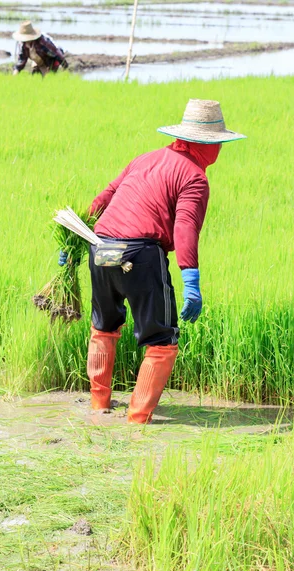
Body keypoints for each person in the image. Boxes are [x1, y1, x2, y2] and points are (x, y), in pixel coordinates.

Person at [59, 99, 246, 424]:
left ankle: (99, 406)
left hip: (100, 248)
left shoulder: (144, 159)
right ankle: (137, 421)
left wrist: (75, 241)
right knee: (161, 342)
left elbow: (104, 199)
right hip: (140, 255)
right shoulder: (194, 178)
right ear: (206, 145)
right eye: (218, 145)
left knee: (104, 327)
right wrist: (191, 280)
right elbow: (185, 226)